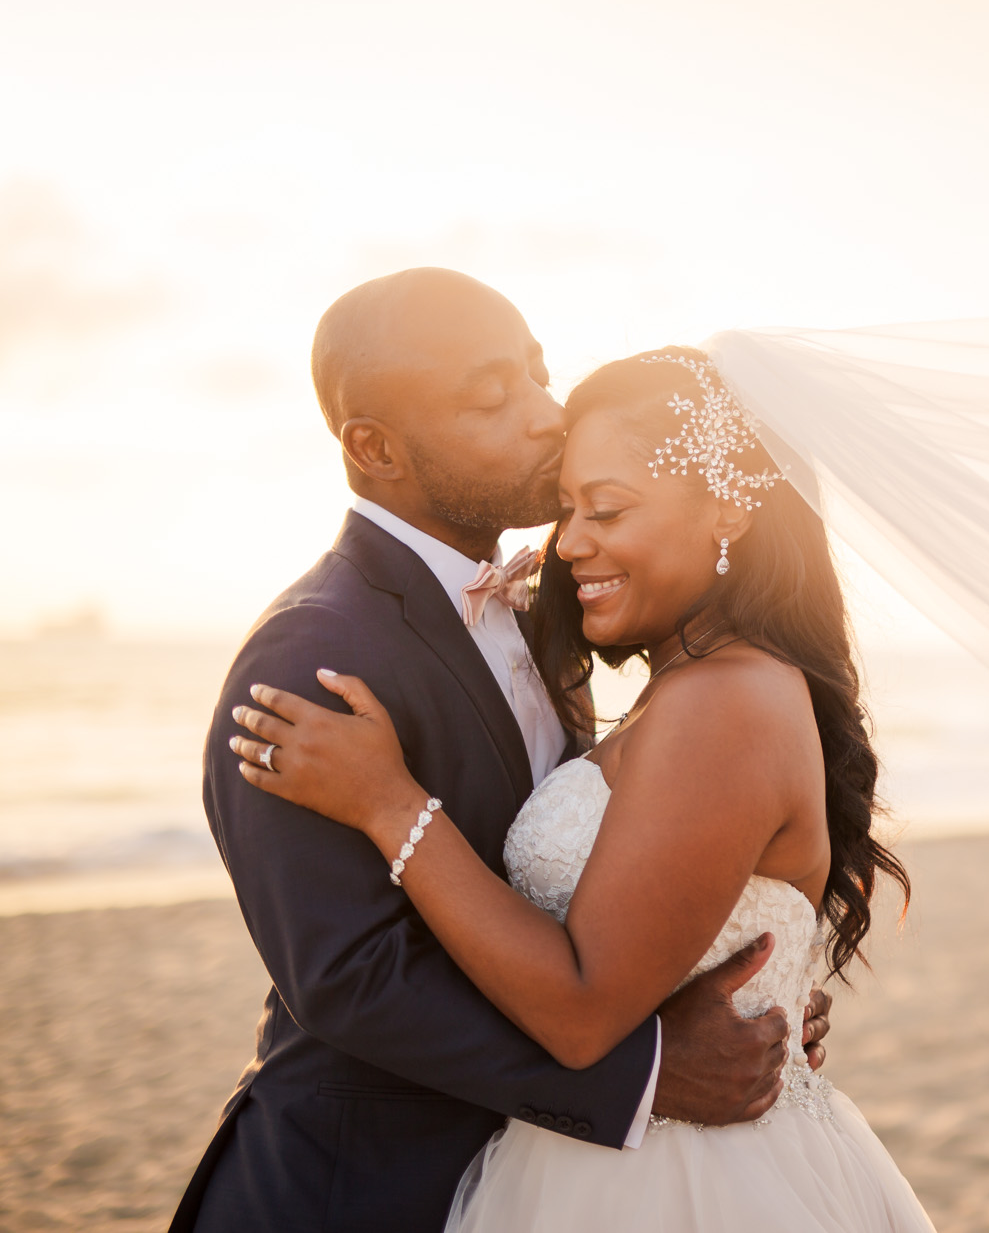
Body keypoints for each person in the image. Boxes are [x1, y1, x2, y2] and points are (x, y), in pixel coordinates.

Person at [171, 271, 834, 1233]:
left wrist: (746, 979)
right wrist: (645, 1070)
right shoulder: (312, 653)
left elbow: (627, 866)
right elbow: (351, 976)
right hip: (356, 1191)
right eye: (493, 397)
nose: (546, 415)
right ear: (375, 448)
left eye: (537, 372)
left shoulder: (545, 610)